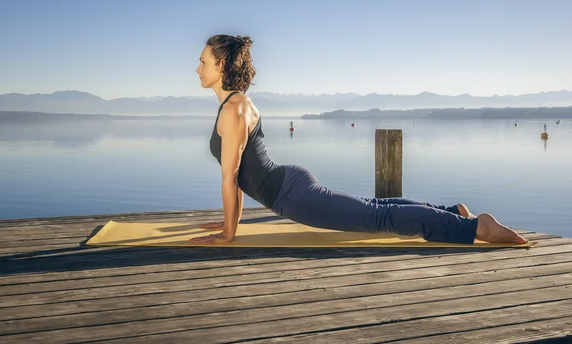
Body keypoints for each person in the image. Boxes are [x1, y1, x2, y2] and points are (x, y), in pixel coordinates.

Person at [189, 34, 528, 246]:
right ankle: (452, 213)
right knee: (374, 208)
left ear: (220, 64)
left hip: (292, 196)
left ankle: (474, 229)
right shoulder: (233, 105)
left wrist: (228, 234)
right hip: (289, 187)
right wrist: (228, 222)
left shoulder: (234, 109)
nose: (197, 68)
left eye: (203, 61)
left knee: (376, 218)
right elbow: (237, 176)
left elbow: (230, 178)